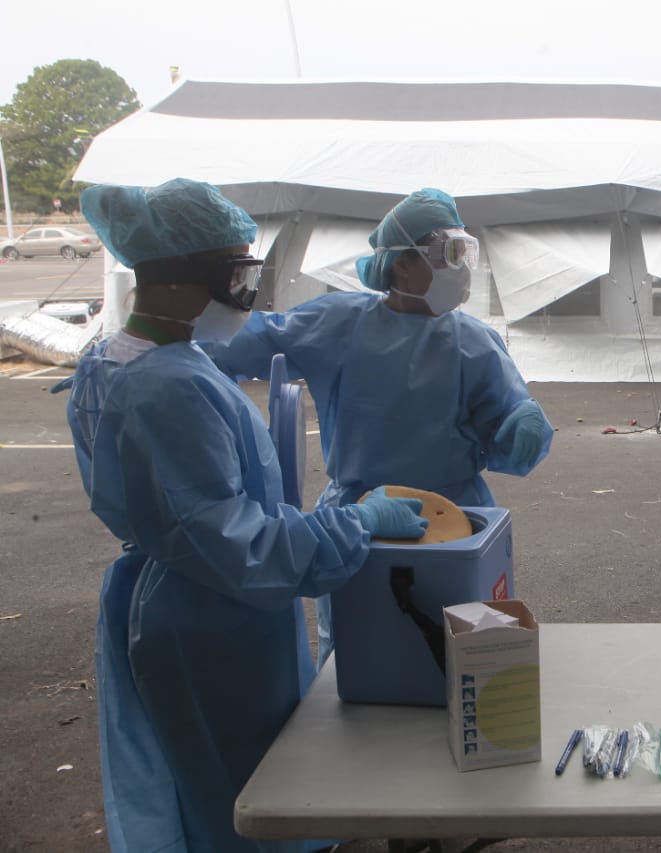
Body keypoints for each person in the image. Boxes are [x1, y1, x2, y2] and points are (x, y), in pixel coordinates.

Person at [57, 178, 427, 852]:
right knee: (250, 803)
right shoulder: (168, 388)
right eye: (235, 274)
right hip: (215, 623)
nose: (247, 293)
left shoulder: (118, 360)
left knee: (204, 787)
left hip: (181, 602)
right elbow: (236, 543)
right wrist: (355, 523)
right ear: (174, 279)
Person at [204, 188, 553, 661]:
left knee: (460, 653)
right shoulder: (339, 323)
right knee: (361, 654)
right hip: (363, 517)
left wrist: (521, 423)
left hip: (455, 518)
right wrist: (155, 341)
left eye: (463, 251)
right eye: (446, 252)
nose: (461, 268)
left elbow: (508, 430)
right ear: (401, 265)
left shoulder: (474, 340)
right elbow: (236, 342)